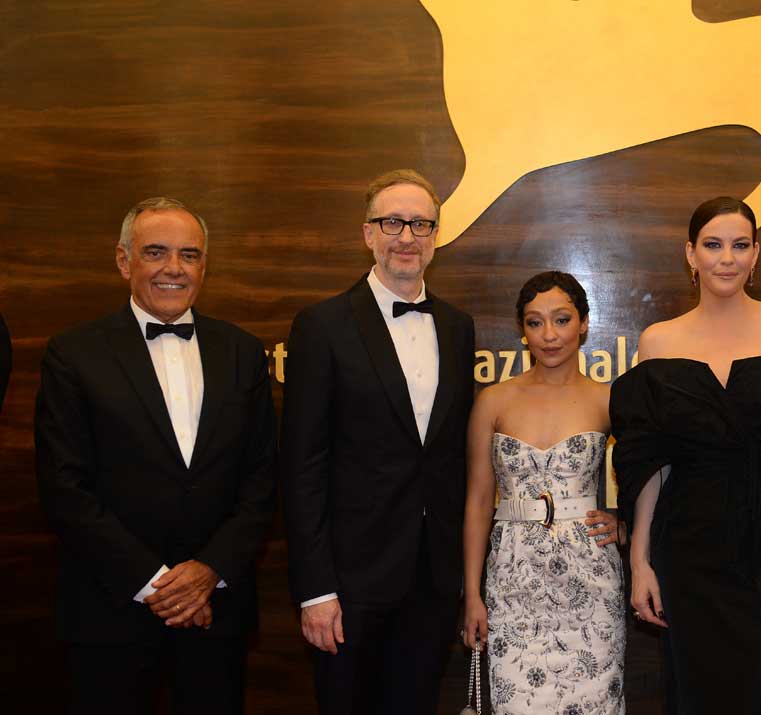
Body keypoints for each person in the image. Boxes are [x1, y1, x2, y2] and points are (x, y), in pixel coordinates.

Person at [34, 197, 278, 714]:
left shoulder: (241, 352)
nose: (174, 268)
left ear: (204, 265)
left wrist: (209, 571)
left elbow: (261, 481)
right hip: (110, 611)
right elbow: (64, 488)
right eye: (156, 252)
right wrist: (158, 586)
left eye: (189, 255)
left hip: (217, 611)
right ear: (124, 261)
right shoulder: (74, 354)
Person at [610, 197, 761, 714]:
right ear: (689, 254)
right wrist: (641, 558)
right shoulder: (659, 341)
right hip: (689, 551)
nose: (726, 258)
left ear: (757, 254)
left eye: (740, 246)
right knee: (698, 694)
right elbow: (649, 462)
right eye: (713, 245)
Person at [281, 169, 476, 714]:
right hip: (349, 582)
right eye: (393, 222)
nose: (407, 236)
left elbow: (453, 458)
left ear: (436, 235)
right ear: (367, 233)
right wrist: (316, 590)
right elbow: (302, 467)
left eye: (420, 224)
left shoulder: (458, 328)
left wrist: (463, 578)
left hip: (433, 581)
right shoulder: (323, 326)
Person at [462, 271, 626, 714]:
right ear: (522, 331)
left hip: (590, 582)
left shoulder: (608, 400)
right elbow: (478, 503)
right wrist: (472, 594)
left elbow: (652, 477)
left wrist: (624, 522)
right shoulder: (493, 401)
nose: (549, 335)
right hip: (513, 577)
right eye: (535, 323)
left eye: (562, 319)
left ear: (585, 323)